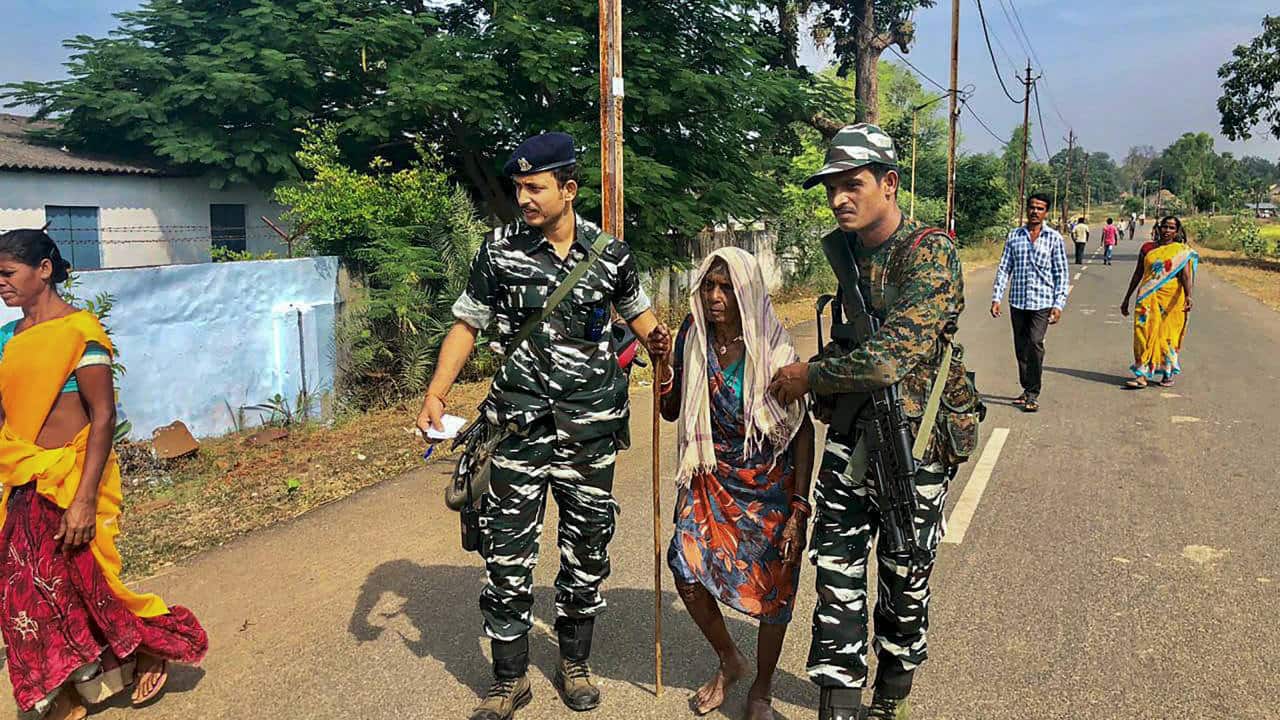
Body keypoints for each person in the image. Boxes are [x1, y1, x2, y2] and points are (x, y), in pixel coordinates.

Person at [415, 132, 672, 720]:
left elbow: (642, 319)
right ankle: (509, 680)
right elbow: (466, 324)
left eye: (536, 187)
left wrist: (665, 356)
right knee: (507, 556)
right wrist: (437, 391)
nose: (524, 198)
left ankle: (574, 661)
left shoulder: (611, 256)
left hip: (590, 432)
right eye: (519, 188)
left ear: (569, 189)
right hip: (517, 429)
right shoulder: (498, 251)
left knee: (586, 550)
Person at [767, 124, 981, 720]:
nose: (839, 197)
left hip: (917, 443)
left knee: (904, 574)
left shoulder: (928, 252)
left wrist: (812, 377)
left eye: (852, 183)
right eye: (832, 186)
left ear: (889, 184)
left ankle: (891, 695)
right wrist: (812, 369)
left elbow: (890, 358)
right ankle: (836, 703)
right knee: (835, 568)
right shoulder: (847, 254)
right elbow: (850, 346)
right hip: (852, 434)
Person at [0, 229, 207, 720]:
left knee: (90, 584)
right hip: (25, 478)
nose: (0, 284)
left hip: (73, 477)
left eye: (8, 273)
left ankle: (149, 646)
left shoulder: (80, 333)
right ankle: (64, 691)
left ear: (43, 270)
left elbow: (103, 417)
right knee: (23, 590)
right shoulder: (8, 339)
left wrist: (85, 500)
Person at [659, 248, 815, 720]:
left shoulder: (773, 348)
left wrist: (799, 509)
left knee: (774, 588)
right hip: (710, 477)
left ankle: (762, 689)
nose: (715, 296)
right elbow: (670, 412)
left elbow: (801, 430)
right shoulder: (693, 337)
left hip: (769, 486)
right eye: (709, 286)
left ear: (747, 292)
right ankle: (730, 657)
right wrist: (664, 365)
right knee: (684, 567)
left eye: (726, 287)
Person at [990, 193, 1070, 413]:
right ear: (1026, 209)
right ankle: (1027, 388)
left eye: (1040, 208)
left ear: (1046, 212)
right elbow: (1005, 268)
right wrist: (997, 297)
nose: (1035, 211)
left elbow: (1061, 274)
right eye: (1032, 207)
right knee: (1021, 348)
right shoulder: (1014, 236)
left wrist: (1059, 304)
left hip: (1042, 302)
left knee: (1035, 343)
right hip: (1017, 302)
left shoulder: (1054, 238)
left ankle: (1033, 393)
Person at [1120, 216, 1197, 388]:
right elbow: (1138, 273)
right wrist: (1127, 298)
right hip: (1146, 297)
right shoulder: (1147, 248)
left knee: (1167, 335)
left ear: (1177, 232)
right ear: (1158, 228)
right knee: (1143, 333)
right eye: (1164, 227)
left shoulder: (1181, 251)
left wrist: (1189, 296)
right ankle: (1142, 375)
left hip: (1172, 300)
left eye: (1171, 228)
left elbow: (1185, 276)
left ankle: (1167, 371)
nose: (1167, 231)